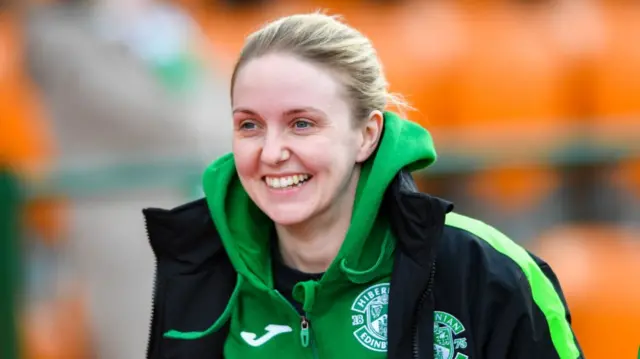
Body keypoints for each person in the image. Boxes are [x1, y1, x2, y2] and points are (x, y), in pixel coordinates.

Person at [143, 12, 583, 359]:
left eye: (301, 123)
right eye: (249, 125)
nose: (272, 151)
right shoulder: (196, 269)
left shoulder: (484, 268)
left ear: (367, 135)